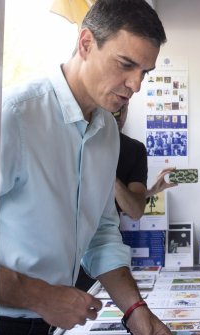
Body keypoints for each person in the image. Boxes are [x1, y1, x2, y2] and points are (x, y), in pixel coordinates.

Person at [0, 0, 172, 335]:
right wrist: (41, 296)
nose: (135, 85)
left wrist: (137, 311)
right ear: (86, 44)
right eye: (125, 64)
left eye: (144, 73)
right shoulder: (12, 115)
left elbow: (102, 233)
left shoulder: (107, 130)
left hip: (45, 324)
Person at [75, 103, 178, 291]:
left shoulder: (133, 149)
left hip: (105, 247)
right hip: (69, 245)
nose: (119, 113)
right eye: (114, 107)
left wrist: (106, 170)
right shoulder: (75, 141)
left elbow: (134, 210)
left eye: (124, 107)